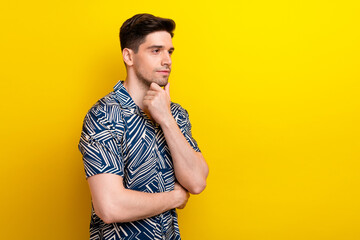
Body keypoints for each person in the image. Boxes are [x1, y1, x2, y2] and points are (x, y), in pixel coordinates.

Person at [78, 13, 209, 240]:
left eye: (169, 52)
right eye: (155, 51)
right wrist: (174, 198)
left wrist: (165, 119)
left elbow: (197, 182)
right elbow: (110, 207)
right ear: (129, 56)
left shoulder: (175, 114)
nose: (167, 60)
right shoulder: (104, 116)